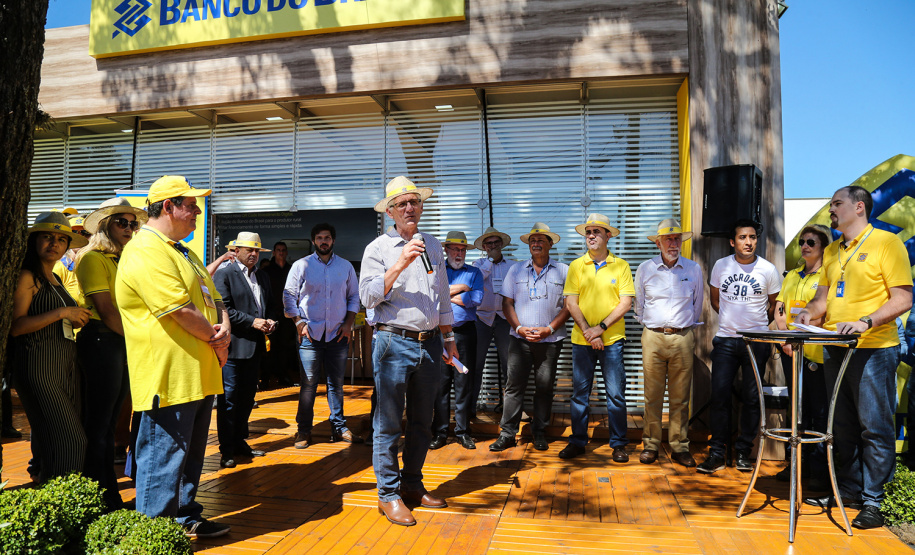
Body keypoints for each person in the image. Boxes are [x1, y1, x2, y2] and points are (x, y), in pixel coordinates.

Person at [115, 175, 232, 538]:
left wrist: (224, 326)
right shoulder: (146, 248)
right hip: (168, 376)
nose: (197, 211)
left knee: (189, 458)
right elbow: (177, 310)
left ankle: (184, 516)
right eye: (191, 204)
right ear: (168, 206)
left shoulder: (185, 251)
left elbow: (215, 300)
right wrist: (218, 340)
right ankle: (152, 535)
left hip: (199, 373)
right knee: (162, 460)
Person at [798, 186, 913, 529]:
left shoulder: (886, 243)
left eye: (837, 204)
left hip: (874, 349)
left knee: (874, 427)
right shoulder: (832, 250)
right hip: (835, 349)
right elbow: (822, 300)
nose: (830, 210)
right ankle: (847, 491)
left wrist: (865, 321)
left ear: (859, 207)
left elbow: (903, 299)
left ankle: (874, 501)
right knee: (842, 426)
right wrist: (807, 314)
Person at [359, 176, 458, 526]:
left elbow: (442, 294)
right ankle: (388, 494)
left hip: (429, 343)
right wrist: (399, 262)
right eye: (402, 204)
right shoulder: (377, 249)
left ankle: (412, 484)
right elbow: (368, 297)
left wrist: (448, 337)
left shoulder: (431, 244)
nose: (410, 208)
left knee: (422, 421)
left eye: (414, 202)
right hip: (392, 342)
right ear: (390, 212)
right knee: (387, 423)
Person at [75, 197, 148, 509]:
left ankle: (108, 494)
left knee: (111, 422)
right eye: (123, 222)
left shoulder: (122, 260)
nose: (130, 228)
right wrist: (141, 341)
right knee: (99, 424)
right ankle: (101, 495)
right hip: (102, 341)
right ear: (105, 225)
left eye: (133, 223)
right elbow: (106, 311)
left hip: (119, 342)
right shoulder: (93, 259)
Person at [10, 212, 90, 482]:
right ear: (34, 240)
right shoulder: (27, 276)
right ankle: (65, 503)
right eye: (47, 237)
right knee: (71, 440)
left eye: (61, 239)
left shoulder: (54, 277)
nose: (54, 244)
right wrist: (62, 313)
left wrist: (73, 317)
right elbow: (16, 326)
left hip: (64, 362)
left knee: (53, 439)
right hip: (38, 364)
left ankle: (51, 497)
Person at [698, 219, 780, 474]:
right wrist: (732, 322)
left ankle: (744, 451)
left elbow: (772, 305)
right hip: (725, 340)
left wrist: (753, 327)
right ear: (733, 242)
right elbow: (715, 299)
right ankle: (718, 453)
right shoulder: (721, 265)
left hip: (756, 342)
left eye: (752, 237)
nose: (748, 242)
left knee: (752, 398)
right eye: (743, 237)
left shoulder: (768, 269)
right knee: (720, 397)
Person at [490, 223, 570, 453]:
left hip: (550, 341)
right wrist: (519, 328)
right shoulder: (515, 270)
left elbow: (569, 306)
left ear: (550, 244)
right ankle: (507, 434)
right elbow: (507, 303)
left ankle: (539, 432)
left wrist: (550, 329)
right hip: (519, 339)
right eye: (532, 240)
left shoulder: (563, 271)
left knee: (544, 388)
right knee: (514, 386)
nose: (536, 243)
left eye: (541, 240)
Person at [560, 214, 634, 461]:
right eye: (588, 232)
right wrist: (589, 333)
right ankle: (578, 442)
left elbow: (626, 303)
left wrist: (599, 329)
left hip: (612, 341)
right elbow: (571, 302)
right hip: (582, 341)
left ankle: (618, 444)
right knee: (580, 394)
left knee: (616, 394)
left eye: (596, 232)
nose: (590, 236)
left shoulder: (621, 266)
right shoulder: (576, 265)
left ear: (608, 235)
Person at [284, 223, 362, 448]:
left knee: (336, 384)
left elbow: (354, 297)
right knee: (308, 385)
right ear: (314, 241)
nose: (324, 241)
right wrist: (298, 322)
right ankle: (304, 431)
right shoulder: (301, 265)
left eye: (327, 237)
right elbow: (289, 295)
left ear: (333, 240)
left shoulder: (345, 267)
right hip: (310, 335)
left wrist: (348, 324)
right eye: (319, 238)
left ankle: (339, 428)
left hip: (338, 335)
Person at [634, 219, 703, 467]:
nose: (673, 243)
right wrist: (655, 325)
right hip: (652, 336)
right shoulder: (645, 268)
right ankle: (651, 445)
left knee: (680, 398)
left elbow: (697, 306)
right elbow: (639, 306)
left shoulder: (693, 269)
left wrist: (680, 326)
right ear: (658, 243)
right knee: (652, 396)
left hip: (683, 337)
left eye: (676, 239)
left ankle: (679, 447)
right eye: (668, 239)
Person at [772, 224, 832, 487]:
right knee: (795, 409)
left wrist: (800, 340)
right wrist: (786, 339)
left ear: (823, 247)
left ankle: (819, 472)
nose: (805, 246)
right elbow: (779, 310)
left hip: (816, 354)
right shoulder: (792, 276)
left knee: (818, 411)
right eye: (802, 242)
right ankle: (795, 465)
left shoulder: (827, 278)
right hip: (789, 349)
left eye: (811, 242)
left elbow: (826, 314)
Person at [213, 232, 277, 468]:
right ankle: (226, 450)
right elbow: (224, 309)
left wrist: (270, 321)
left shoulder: (262, 276)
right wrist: (252, 321)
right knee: (229, 400)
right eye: (249, 250)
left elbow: (269, 305)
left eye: (257, 251)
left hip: (254, 347)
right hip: (231, 348)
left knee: (247, 398)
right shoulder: (225, 274)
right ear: (236, 251)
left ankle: (240, 442)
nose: (253, 254)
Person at [430, 231, 483, 451]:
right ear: (446, 250)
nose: (459, 253)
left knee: (463, 384)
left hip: (465, 333)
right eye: (455, 249)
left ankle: (462, 432)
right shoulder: (435, 269)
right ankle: (440, 432)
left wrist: (445, 295)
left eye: (462, 250)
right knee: (440, 385)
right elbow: (432, 295)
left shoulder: (474, 272)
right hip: (439, 335)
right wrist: (461, 289)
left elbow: (476, 300)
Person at [471, 227, 516, 415]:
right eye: (489, 243)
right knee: (475, 364)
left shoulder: (513, 266)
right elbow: (477, 281)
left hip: (505, 319)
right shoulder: (477, 264)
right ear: (483, 246)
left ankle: (509, 408)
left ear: (502, 244)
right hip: (481, 318)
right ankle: (470, 406)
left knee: (510, 364)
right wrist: (490, 261)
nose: (493, 246)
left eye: (496, 242)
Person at [262, 241, 296, 388]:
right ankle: (265, 378)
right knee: (269, 347)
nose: (281, 252)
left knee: (285, 347)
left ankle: (283, 377)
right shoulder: (267, 271)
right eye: (278, 250)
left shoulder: (291, 269)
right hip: (271, 314)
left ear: (287, 252)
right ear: (274, 253)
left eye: (283, 250)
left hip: (287, 315)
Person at [52, 208, 89, 302]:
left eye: (85, 232)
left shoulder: (98, 263)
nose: (80, 236)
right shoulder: (58, 267)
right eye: (74, 232)